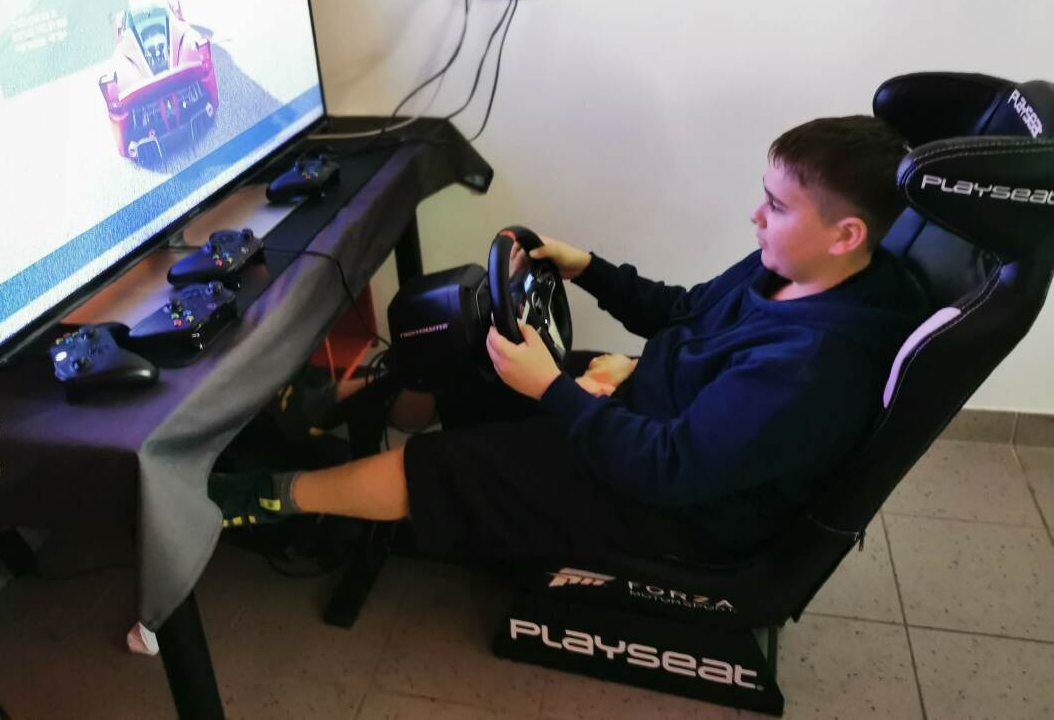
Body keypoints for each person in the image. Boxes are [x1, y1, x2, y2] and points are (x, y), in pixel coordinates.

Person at [209, 115, 930, 562]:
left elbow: (669, 469)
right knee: (474, 345)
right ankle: (338, 412)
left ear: (846, 234)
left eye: (776, 206)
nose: (756, 216)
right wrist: (585, 267)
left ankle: (271, 498)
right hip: (656, 410)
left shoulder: (813, 365)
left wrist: (556, 390)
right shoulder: (792, 267)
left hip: (676, 505)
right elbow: (684, 313)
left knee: (448, 463)